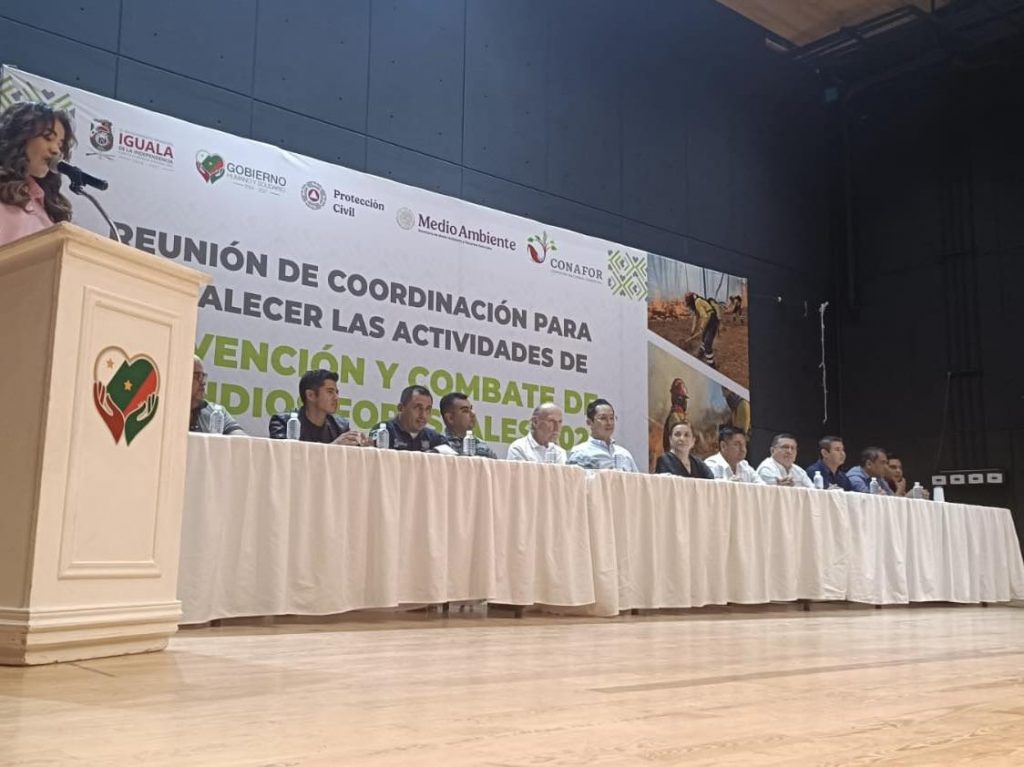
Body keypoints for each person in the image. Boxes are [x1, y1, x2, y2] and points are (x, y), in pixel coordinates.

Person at [0, 102, 75, 248]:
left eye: (60, 145)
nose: (56, 151)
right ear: (21, 137)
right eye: (48, 137)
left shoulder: (48, 207)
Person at [269, 369, 368, 445]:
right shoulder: (283, 423)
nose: (336, 397)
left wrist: (362, 446)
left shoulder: (340, 426)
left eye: (337, 392)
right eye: (330, 392)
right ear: (310, 395)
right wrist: (334, 447)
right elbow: (286, 457)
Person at [567, 398, 639, 472]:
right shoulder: (580, 453)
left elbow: (637, 479)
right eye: (603, 418)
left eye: (612, 418)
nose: (609, 423)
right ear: (589, 422)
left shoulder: (624, 454)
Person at [380, 385, 452, 452]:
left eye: (427, 409)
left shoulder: (434, 438)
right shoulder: (384, 432)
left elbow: (451, 457)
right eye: (418, 408)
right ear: (401, 408)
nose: (423, 415)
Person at [189, 355, 244, 435]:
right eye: (196, 376)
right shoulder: (169, 410)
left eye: (202, 376)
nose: (203, 382)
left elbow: (241, 439)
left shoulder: (217, 412)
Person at [439, 391, 497, 458]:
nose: (473, 414)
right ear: (450, 418)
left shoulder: (483, 447)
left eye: (471, 409)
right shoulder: (439, 445)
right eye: (465, 411)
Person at [683, 291, 720, 368]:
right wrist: (692, 331)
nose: (689, 306)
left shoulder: (697, 302)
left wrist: (702, 327)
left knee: (707, 343)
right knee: (703, 338)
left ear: (691, 301)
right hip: (709, 319)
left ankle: (712, 365)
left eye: (688, 303)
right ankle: (701, 354)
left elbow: (705, 317)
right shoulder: (696, 303)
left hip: (712, 320)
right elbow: (696, 318)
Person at [661, 377, 689, 453]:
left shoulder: (679, 416)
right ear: (679, 399)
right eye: (684, 399)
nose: (685, 402)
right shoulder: (675, 417)